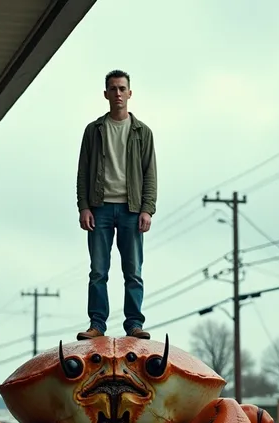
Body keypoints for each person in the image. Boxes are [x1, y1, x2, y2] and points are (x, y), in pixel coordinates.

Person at [76, 69, 157, 341]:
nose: (118, 93)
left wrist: (147, 208)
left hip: (131, 210)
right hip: (99, 208)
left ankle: (134, 324)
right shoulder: (94, 130)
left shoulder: (142, 133)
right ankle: (97, 324)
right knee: (98, 271)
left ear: (130, 93)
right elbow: (83, 172)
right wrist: (84, 207)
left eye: (122, 88)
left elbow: (150, 173)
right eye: (113, 88)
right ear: (106, 94)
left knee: (133, 271)